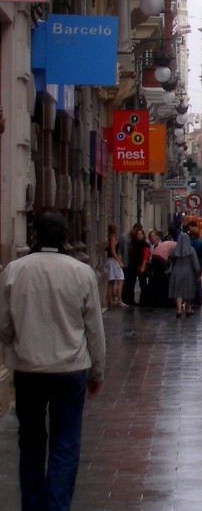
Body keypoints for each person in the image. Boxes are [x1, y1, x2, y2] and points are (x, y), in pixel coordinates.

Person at [0, 210, 105, 510]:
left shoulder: (14, 270)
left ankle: (32, 505)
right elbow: (94, 330)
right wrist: (97, 371)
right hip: (70, 370)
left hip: (28, 368)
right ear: (65, 237)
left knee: (30, 441)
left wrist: (19, 343)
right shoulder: (81, 272)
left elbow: (3, 323)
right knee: (65, 442)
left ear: (35, 235)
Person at [167, 225, 201, 318]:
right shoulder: (191, 250)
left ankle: (178, 310)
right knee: (188, 291)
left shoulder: (174, 250)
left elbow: (169, 260)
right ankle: (188, 309)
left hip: (176, 272)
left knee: (178, 292)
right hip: (188, 273)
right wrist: (198, 273)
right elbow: (196, 265)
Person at [104, 223, 125, 309]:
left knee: (111, 281)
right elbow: (113, 251)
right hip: (113, 261)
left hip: (109, 260)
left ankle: (111, 301)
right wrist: (119, 261)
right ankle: (119, 300)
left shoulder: (110, 237)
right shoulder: (112, 238)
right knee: (120, 279)